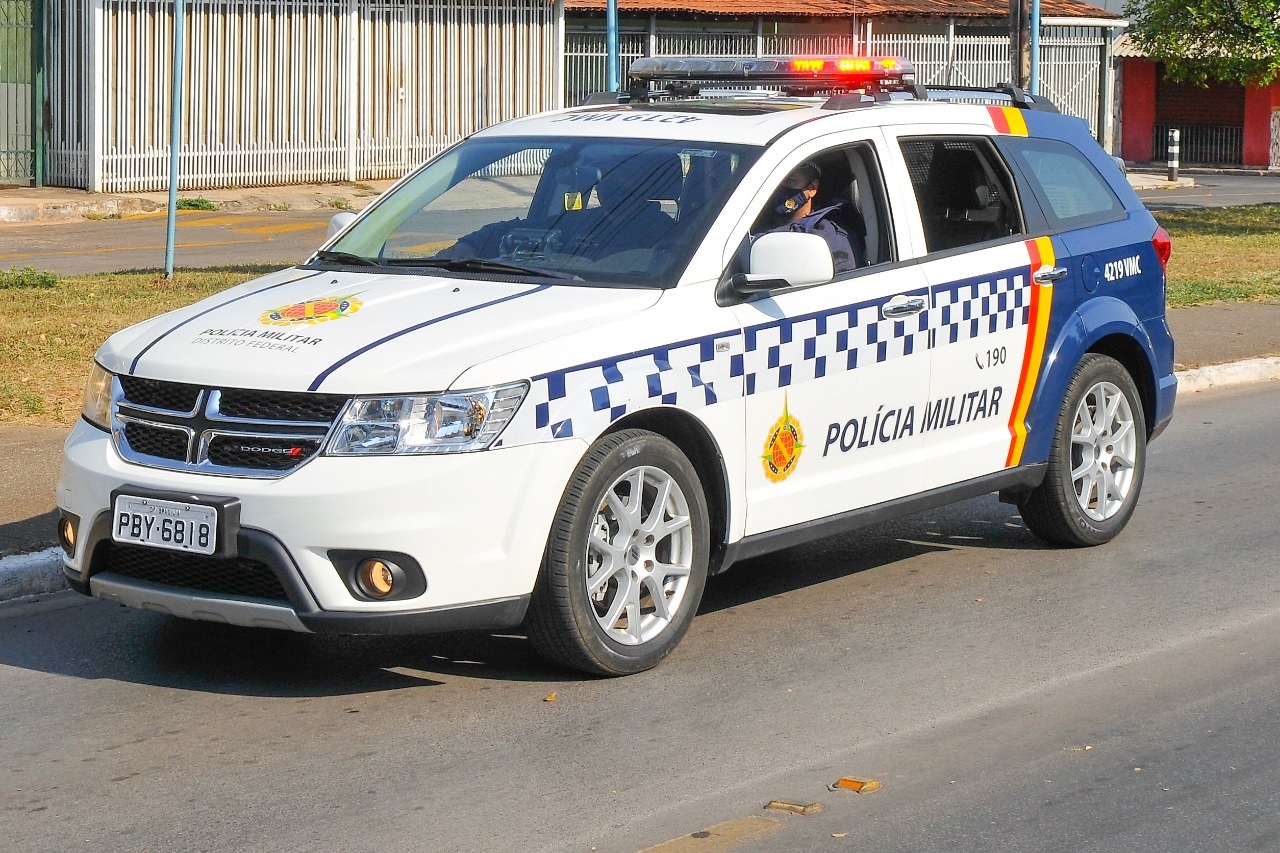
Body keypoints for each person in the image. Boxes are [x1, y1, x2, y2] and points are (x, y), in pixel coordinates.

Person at [755, 161, 865, 273]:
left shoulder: (829, 238)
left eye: (789, 181)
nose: (780, 187)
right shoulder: (752, 218)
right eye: (777, 181)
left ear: (812, 188)